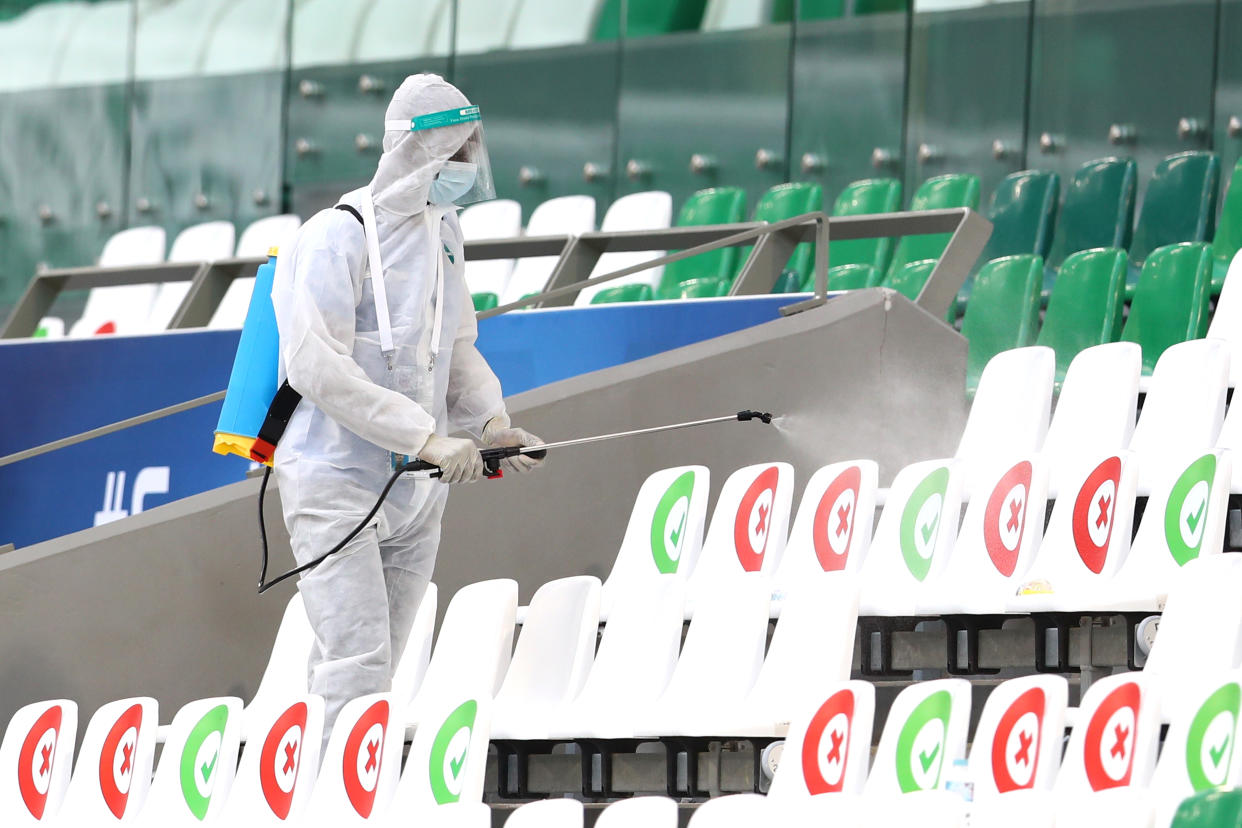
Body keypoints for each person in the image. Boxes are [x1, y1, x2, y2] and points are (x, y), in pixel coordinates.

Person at [270, 74, 543, 738]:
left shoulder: (443, 231)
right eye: (458, 147)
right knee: (356, 666)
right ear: (417, 148)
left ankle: (339, 787)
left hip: (417, 490)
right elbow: (315, 366)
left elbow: (456, 346)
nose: (467, 163)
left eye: (473, 147)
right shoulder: (336, 236)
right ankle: (339, 804)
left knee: (379, 666)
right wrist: (427, 437)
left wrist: (493, 424)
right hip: (334, 480)